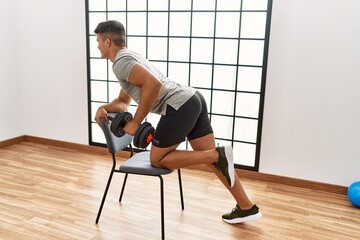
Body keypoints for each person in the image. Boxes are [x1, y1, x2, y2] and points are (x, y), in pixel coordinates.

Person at [93, 20, 262, 224]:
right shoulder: (129, 58)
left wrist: (136, 122)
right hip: (192, 99)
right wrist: (104, 108)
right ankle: (246, 207)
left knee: (158, 159)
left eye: (99, 41)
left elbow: (153, 85)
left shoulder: (121, 63)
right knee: (214, 162)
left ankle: (217, 153)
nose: (98, 46)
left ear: (108, 41)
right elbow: (123, 101)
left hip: (179, 106)